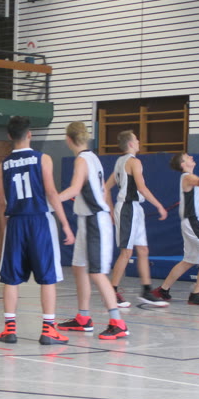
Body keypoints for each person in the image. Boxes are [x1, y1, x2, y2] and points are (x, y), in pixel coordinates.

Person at [0, 116, 75, 345]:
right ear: (29, 134)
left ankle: (9, 329)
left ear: (9, 136)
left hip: (15, 222)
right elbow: (51, 192)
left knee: (11, 278)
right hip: (40, 220)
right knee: (47, 277)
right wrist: (65, 224)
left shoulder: (3, 165)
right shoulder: (43, 159)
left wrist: (5, 228)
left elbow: (1, 202)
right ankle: (48, 330)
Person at [57, 122, 130, 340]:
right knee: (79, 267)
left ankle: (118, 322)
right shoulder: (93, 157)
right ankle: (83, 317)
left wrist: (51, 200)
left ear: (68, 140)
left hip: (94, 221)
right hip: (87, 218)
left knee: (96, 272)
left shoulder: (82, 160)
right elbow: (99, 190)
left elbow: (74, 189)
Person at [104, 130, 168, 308]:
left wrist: (111, 210)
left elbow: (106, 187)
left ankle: (146, 291)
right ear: (131, 144)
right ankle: (112, 291)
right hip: (128, 208)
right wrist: (159, 205)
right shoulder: (133, 162)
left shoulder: (120, 162)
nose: (139, 141)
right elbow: (142, 188)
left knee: (143, 250)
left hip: (133, 208)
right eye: (136, 140)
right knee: (126, 252)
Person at [152, 153, 199, 306]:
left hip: (192, 222)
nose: (190, 157)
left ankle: (163, 290)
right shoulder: (187, 177)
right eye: (187, 157)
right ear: (183, 164)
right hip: (192, 222)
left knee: (189, 260)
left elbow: (193, 197)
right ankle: (197, 294)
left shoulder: (190, 178)